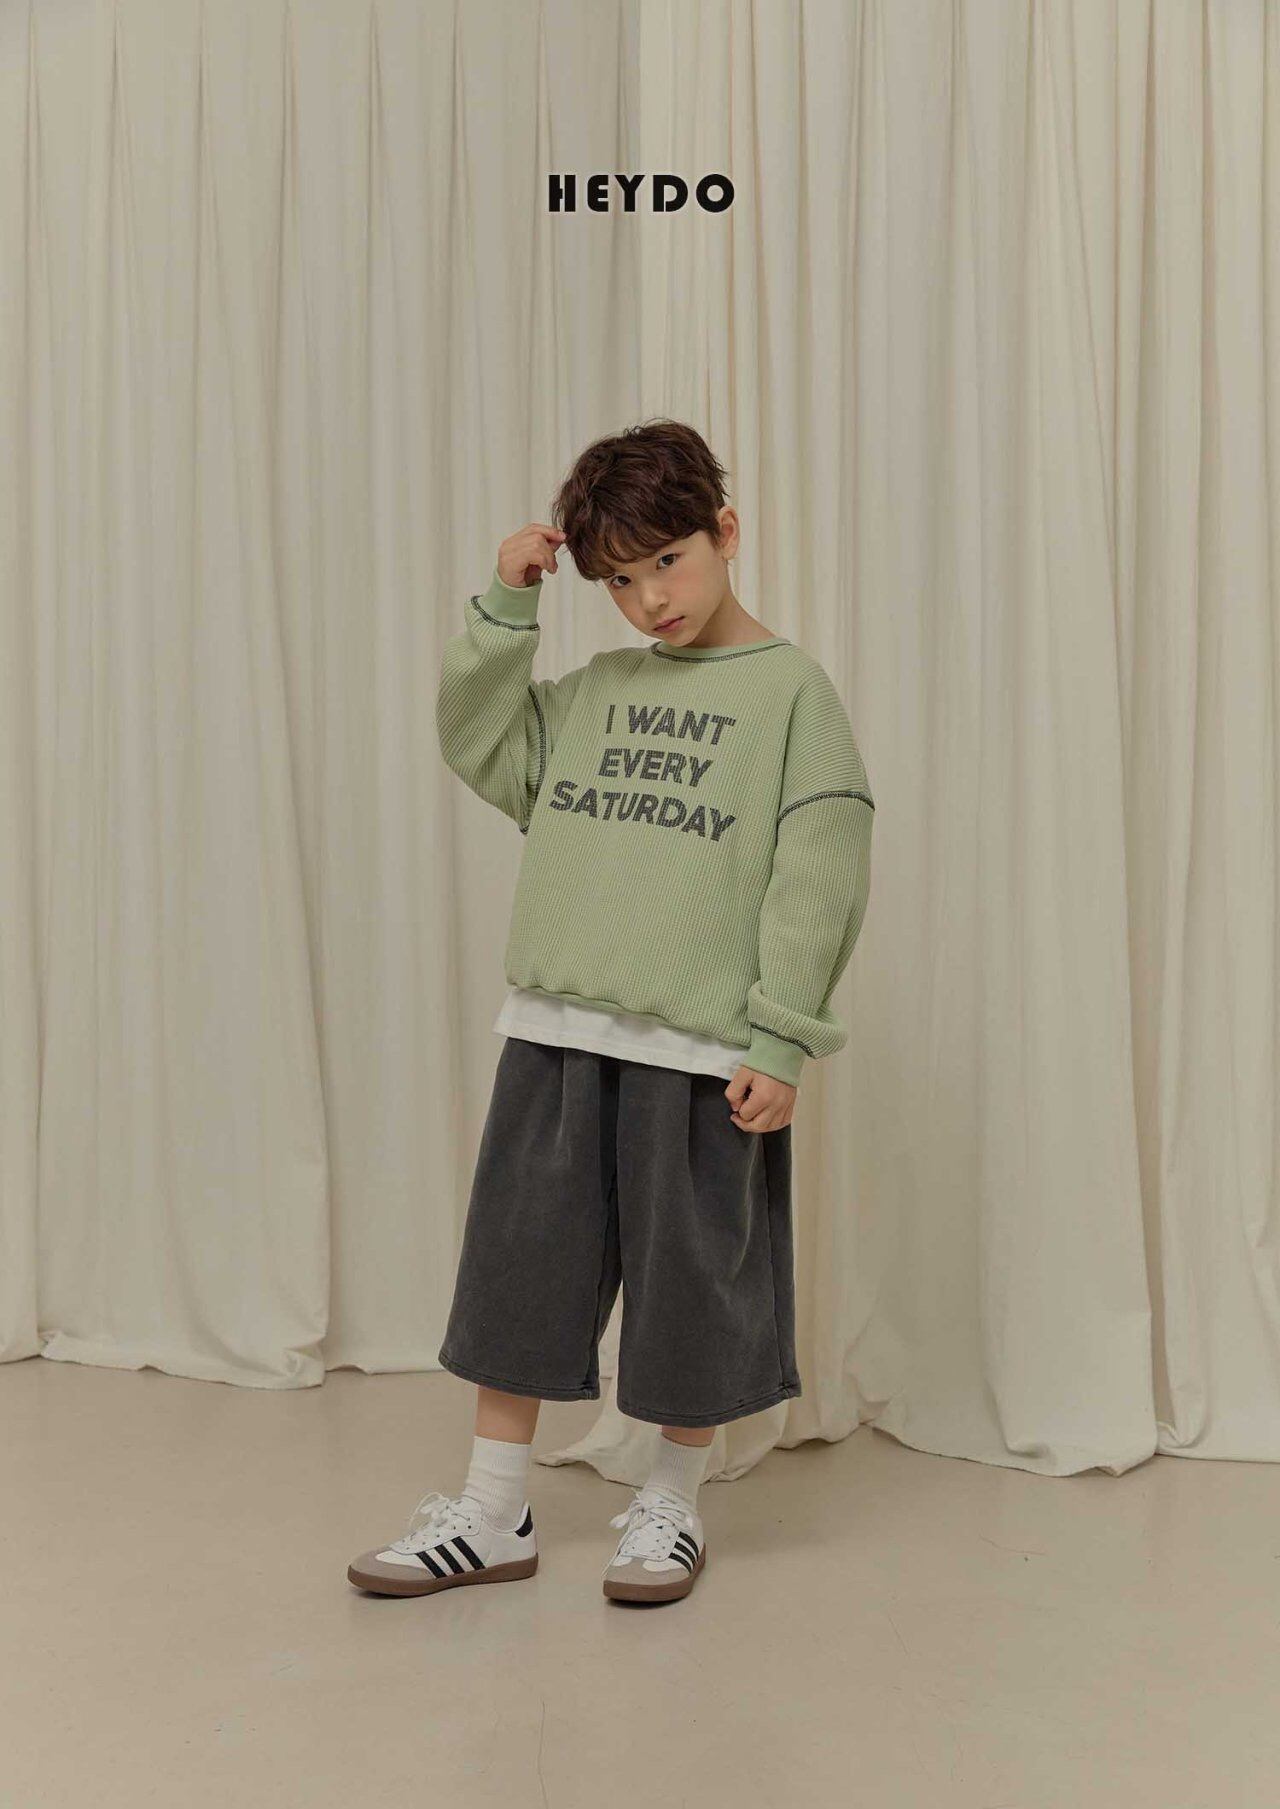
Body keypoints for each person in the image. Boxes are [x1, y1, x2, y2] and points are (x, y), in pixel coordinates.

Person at [347, 419, 874, 1606]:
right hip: (555, 1032)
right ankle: (492, 1510)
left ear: (724, 531)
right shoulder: (593, 695)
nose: (649, 602)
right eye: (621, 583)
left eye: (667, 563)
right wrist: (506, 606)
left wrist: (781, 1034)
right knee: (515, 1274)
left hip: (703, 1050)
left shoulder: (792, 696)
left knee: (693, 1291)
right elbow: (480, 740)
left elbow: (818, 870)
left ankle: (669, 1504)